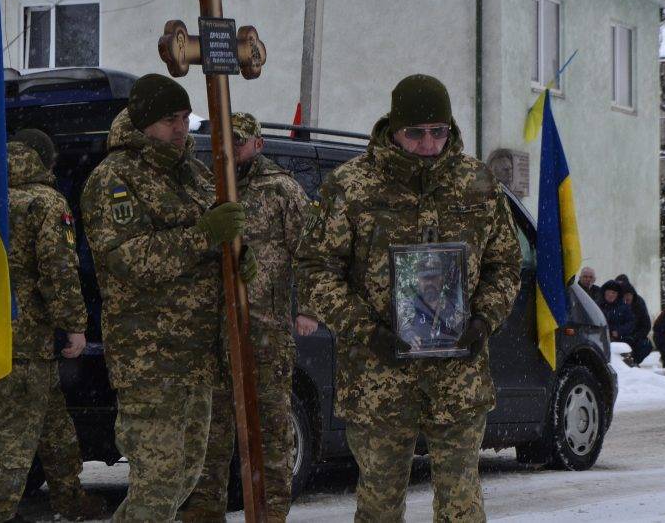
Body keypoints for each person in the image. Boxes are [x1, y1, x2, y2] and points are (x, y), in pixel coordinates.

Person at [297, 74, 522, 522]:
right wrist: (367, 331)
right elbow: (314, 270)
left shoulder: (477, 185)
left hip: (458, 375)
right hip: (380, 374)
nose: (427, 144)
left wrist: (484, 319)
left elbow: (505, 264)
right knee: (380, 503)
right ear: (394, 128)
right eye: (415, 133)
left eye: (438, 132)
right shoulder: (353, 186)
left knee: (462, 504)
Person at [80, 74, 254, 522]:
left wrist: (236, 259)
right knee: (157, 485)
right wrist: (203, 236)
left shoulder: (193, 172)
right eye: (167, 120)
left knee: (184, 477)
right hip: (151, 359)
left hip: (198, 355)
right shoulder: (114, 180)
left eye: (183, 118)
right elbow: (129, 259)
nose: (180, 129)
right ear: (141, 123)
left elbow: (214, 241)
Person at [0, 130, 104, 522]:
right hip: (27, 338)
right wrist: (73, 324)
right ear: (46, 162)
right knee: (14, 433)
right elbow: (58, 271)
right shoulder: (45, 202)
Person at [183, 112, 310, 523]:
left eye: (238, 142)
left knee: (270, 431)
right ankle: (204, 511)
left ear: (258, 144)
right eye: (225, 142)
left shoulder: (282, 192)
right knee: (210, 432)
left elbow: (311, 255)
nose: (230, 150)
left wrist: (308, 309)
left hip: (265, 334)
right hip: (210, 333)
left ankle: (270, 513)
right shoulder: (208, 187)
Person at [616, 275, 653, 365]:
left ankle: (634, 362)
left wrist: (634, 337)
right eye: (624, 295)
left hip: (635, 336)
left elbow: (646, 325)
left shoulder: (639, 303)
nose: (627, 297)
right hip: (619, 336)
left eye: (629, 294)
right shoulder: (615, 302)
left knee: (646, 345)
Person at [598, 280, 635, 346]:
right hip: (599, 339)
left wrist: (619, 331)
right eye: (608, 292)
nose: (610, 295)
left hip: (619, 340)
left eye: (614, 293)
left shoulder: (624, 307)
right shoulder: (597, 306)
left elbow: (630, 323)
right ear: (604, 292)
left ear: (618, 294)